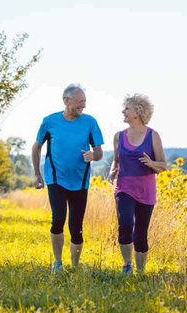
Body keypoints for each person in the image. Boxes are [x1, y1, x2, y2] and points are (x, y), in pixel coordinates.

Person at [32, 83, 104, 272]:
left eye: (85, 102)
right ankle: (57, 262)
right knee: (58, 218)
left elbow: (99, 152)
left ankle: (74, 266)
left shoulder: (90, 122)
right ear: (67, 101)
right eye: (80, 102)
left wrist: (93, 156)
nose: (84, 106)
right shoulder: (50, 121)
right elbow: (36, 147)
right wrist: (37, 174)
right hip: (56, 178)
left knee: (76, 226)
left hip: (80, 180)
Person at [108, 93, 166, 275]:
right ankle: (127, 265)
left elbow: (163, 165)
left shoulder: (153, 135)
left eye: (127, 109)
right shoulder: (119, 136)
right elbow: (116, 160)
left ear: (138, 112)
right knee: (125, 224)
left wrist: (152, 164)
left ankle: (141, 272)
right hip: (124, 187)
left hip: (146, 190)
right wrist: (112, 170)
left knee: (141, 232)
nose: (123, 112)